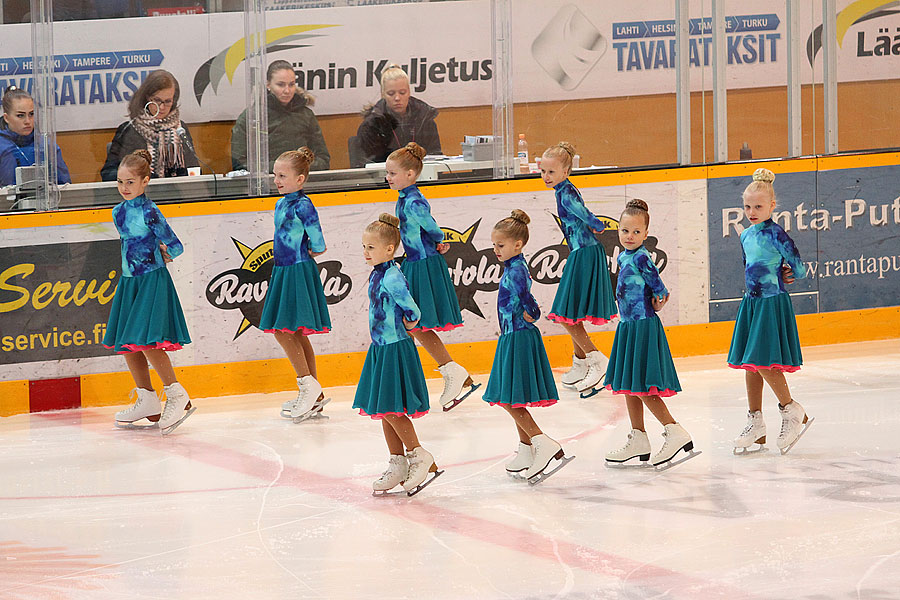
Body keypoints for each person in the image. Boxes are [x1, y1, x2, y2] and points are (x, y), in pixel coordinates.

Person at [103, 149, 195, 435]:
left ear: (145, 181)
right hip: (130, 282)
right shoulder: (118, 212)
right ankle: (147, 398)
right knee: (126, 342)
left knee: (147, 341)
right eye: (120, 182)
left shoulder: (150, 211)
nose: (124, 188)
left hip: (152, 281)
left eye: (130, 182)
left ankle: (177, 394)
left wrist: (166, 252)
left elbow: (175, 245)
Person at [354, 213, 443, 497]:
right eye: (364, 246)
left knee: (391, 408)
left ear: (389, 249)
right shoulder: (378, 273)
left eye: (371, 247)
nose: (365, 252)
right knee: (383, 408)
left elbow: (413, 311)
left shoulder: (392, 276)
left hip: (394, 348)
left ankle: (419, 454)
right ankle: (398, 462)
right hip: (380, 348)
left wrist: (409, 323)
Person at [603, 199, 696, 469]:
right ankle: (638, 438)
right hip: (628, 326)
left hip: (643, 326)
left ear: (645, 234)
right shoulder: (623, 256)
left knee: (642, 385)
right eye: (624, 231)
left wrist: (657, 302)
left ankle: (674, 430)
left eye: (635, 232)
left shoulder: (642, 257)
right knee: (629, 385)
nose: (629, 236)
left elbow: (661, 290)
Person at [483, 210, 573, 484]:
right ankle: (527, 447)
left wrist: (531, 312)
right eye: (494, 245)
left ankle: (540, 441)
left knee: (509, 398)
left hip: (519, 337)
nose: (495, 250)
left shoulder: (518, 269)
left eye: (501, 245)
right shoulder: (512, 267)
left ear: (518, 245)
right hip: (511, 336)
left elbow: (528, 300)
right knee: (513, 395)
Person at [387, 142, 478, 410]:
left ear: (410, 175)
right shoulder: (405, 197)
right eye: (388, 173)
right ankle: (453, 371)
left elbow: (431, 225)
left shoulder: (413, 200)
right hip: (417, 262)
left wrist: (439, 240)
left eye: (393, 173)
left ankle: (452, 370)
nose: (388, 178)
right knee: (416, 324)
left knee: (417, 323)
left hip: (424, 264)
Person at [729, 168, 813, 455]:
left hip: (772, 302)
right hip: (752, 303)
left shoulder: (777, 234)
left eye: (758, 206)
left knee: (762, 361)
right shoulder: (746, 236)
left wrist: (787, 272)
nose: (752, 211)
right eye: (748, 207)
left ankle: (790, 409)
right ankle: (756, 423)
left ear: (771, 206)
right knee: (749, 364)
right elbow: (746, 266)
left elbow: (799, 268)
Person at [257, 147, 332, 422]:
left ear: (300, 179)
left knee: (282, 329)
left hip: (298, 270)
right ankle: (316, 393)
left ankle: (307, 384)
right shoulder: (281, 203)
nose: (277, 180)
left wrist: (310, 251)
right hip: (283, 269)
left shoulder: (303, 205)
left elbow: (319, 242)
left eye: (283, 176)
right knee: (297, 332)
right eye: (275, 175)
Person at [541, 142, 616, 397]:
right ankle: (581, 361)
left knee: (565, 314)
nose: (546, 177)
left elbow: (580, 211)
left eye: (551, 172)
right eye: (543, 172)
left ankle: (596, 359)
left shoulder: (565, 193)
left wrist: (595, 223)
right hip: (581, 251)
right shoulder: (563, 189)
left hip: (584, 252)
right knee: (571, 311)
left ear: (566, 171)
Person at [231, 60, 330, 173]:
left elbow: (323, 159)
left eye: (291, 84)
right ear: (268, 85)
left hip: (301, 182)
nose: (287, 90)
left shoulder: (306, 115)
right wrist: (282, 168)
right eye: (281, 85)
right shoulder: (251, 117)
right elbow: (240, 163)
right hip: (267, 184)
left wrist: (299, 168)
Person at [100, 69, 199, 181]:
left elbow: (194, 169)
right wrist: (138, 175)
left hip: (175, 194)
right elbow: (108, 174)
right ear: (147, 97)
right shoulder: (129, 130)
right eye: (157, 100)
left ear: (174, 100)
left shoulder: (180, 129)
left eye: (167, 101)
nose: (162, 107)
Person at [355, 65, 441, 166]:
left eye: (402, 92)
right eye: (391, 93)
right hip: (387, 178)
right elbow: (368, 166)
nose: (397, 98)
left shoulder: (425, 118)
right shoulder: (372, 125)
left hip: (422, 177)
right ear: (383, 94)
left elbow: (436, 156)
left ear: (409, 92)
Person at [0, 86, 71, 187]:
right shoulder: (2, 147)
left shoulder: (47, 145)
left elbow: (65, 186)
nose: (27, 121)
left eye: (31, 114)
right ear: (6, 118)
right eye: (20, 115)